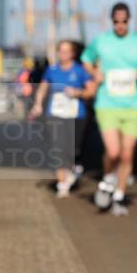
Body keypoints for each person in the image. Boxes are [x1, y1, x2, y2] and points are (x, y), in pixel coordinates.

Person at [83, 2, 137, 216]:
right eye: (116, 21)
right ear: (112, 21)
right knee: (113, 152)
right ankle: (108, 178)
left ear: (129, 20)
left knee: (127, 156)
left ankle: (119, 195)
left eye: (123, 21)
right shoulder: (101, 41)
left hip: (133, 106)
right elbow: (86, 61)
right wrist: (94, 73)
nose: (120, 25)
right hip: (107, 104)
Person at [29, 40, 97, 197]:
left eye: (67, 51)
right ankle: (62, 184)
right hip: (55, 114)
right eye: (61, 51)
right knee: (57, 147)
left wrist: (77, 93)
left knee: (72, 148)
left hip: (76, 115)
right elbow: (43, 88)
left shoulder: (80, 71)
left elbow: (91, 91)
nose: (63, 54)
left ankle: (72, 170)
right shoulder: (52, 70)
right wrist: (38, 104)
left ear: (72, 54)